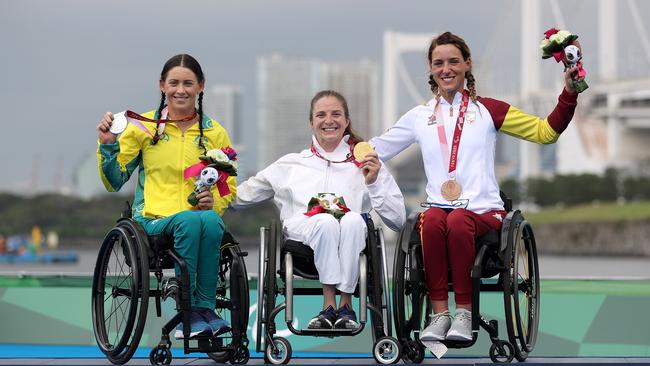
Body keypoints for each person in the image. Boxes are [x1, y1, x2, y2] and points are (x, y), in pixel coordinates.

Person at [370, 32, 583, 341]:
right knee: (429, 221)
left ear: (467, 65)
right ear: (430, 69)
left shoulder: (488, 110)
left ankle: (464, 313)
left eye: (454, 61)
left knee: (456, 220)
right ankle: (439, 314)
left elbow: (545, 132)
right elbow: (375, 148)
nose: (447, 69)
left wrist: (569, 92)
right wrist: (345, 145)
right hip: (438, 212)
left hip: (484, 213)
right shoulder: (419, 117)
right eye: (439, 63)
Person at [233, 90, 406, 330]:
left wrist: (374, 182)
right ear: (311, 122)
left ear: (346, 121)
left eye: (336, 114)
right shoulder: (291, 164)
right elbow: (241, 195)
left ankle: (346, 306)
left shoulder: (368, 163)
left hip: (352, 240)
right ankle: (329, 306)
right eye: (321, 114)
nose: (329, 120)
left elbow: (397, 220)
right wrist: (210, 196)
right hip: (302, 243)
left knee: (354, 220)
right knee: (325, 222)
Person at [96, 54, 236, 339]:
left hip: (198, 222)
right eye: (174, 83)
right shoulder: (143, 126)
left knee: (211, 221)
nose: (180, 90)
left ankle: (204, 311)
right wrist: (108, 146)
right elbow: (114, 181)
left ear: (200, 87)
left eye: (188, 83)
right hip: (152, 222)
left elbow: (227, 186)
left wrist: (215, 202)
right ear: (162, 86)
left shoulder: (214, 132)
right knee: (190, 221)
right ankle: (190, 311)